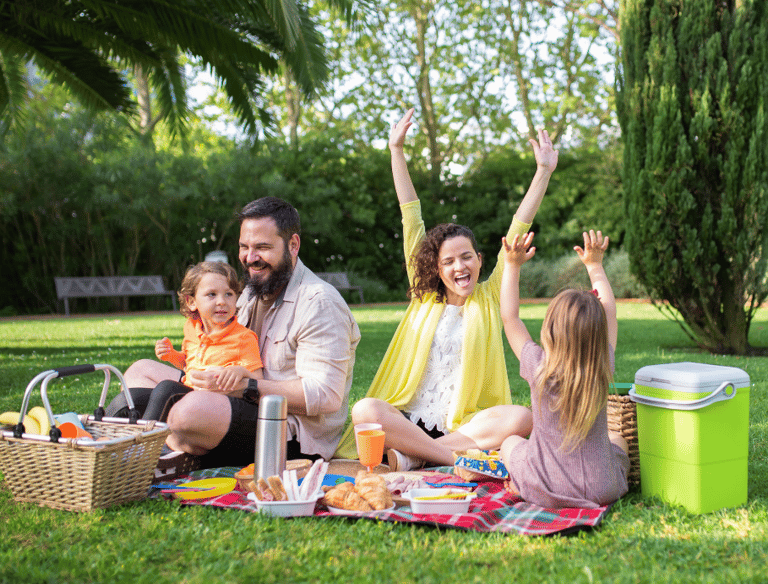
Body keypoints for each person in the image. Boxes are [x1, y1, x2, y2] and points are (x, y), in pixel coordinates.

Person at [336, 108, 558, 470]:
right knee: (365, 410)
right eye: (449, 261)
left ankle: (412, 457)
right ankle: (451, 459)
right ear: (436, 269)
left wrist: (543, 172)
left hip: (464, 427)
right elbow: (411, 214)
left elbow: (519, 226)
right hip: (407, 419)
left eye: (466, 257)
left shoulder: (489, 298)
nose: (460, 266)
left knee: (521, 418)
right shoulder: (423, 295)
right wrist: (396, 150)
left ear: (481, 260)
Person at [110, 197, 361, 471]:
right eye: (244, 247)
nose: (251, 258)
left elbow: (325, 396)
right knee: (139, 372)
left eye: (262, 247)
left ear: (293, 245)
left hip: (288, 432)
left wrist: (247, 387)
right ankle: (109, 444)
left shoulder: (319, 302)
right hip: (230, 398)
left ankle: (152, 457)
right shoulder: (251, 292)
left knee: (187, 412)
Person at [498, 229, 629, 508]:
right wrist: (594, 265)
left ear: (550, 330)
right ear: (598, 333)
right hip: (602, 488)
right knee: (618, 438)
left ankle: (519, 482)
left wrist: (512, 266)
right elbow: (610, 311)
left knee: (510, 443)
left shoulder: (538, 366)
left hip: (544, 486)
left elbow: (510, 318)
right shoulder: (601, 363)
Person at [138, 261, 263, 422]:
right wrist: (171, 355)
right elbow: (188, 363)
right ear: (191, 302)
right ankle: (104, 438)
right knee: (135, 396)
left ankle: (144, 444)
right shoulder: (191, 328)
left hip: (218, 404)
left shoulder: (243, 337)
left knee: (166, 389)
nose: (222, 301)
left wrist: (240, 371)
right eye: (212, 294)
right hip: (190, 392)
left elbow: (258, 378)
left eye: (229, 294)